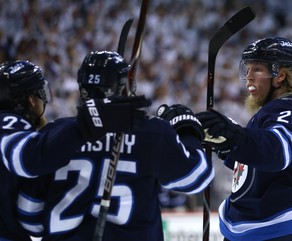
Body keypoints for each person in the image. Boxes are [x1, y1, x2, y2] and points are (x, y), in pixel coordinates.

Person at [17, 51, 214, 241]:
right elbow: (197, 177)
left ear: (82, 89)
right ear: (124, 87)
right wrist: (188, 133)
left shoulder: (55, 133)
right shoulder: (152, 132)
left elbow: (29, 216)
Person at [0, 59, 149, 241]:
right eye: (40, 95)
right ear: (31, 101)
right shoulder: (9, 123)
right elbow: (27, 159)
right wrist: (89, 124)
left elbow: (30, 217)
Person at [196, 37, 292, 241]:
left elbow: (276, 152)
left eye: (258, 69)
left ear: (280, 76)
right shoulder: (266, 115)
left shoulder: (290, 109)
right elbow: (254, 165)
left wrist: (233, 135)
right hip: (247, 229)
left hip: (281, 230)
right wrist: (224, 145)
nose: (248, 77)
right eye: (248, 69)